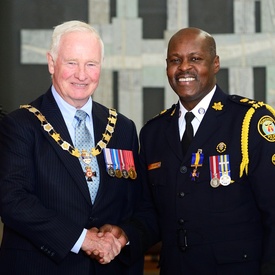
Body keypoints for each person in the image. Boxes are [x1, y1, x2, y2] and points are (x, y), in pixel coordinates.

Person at [99, 27, 275, 274]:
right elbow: (152, 213)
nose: (183, 68)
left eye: (195, 59)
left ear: (215, 64)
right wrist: (124, 235)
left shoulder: (249, 121)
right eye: (175, 60)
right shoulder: (153, 133)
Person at [0, 20, 143, 275]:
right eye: (71, 63)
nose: (81, 74)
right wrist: (82, 239)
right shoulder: (21, 125)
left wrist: (122, 235)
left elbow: (140, 205)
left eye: (91, 64)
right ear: (52, 63)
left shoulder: (122, 128)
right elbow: (13, 202)